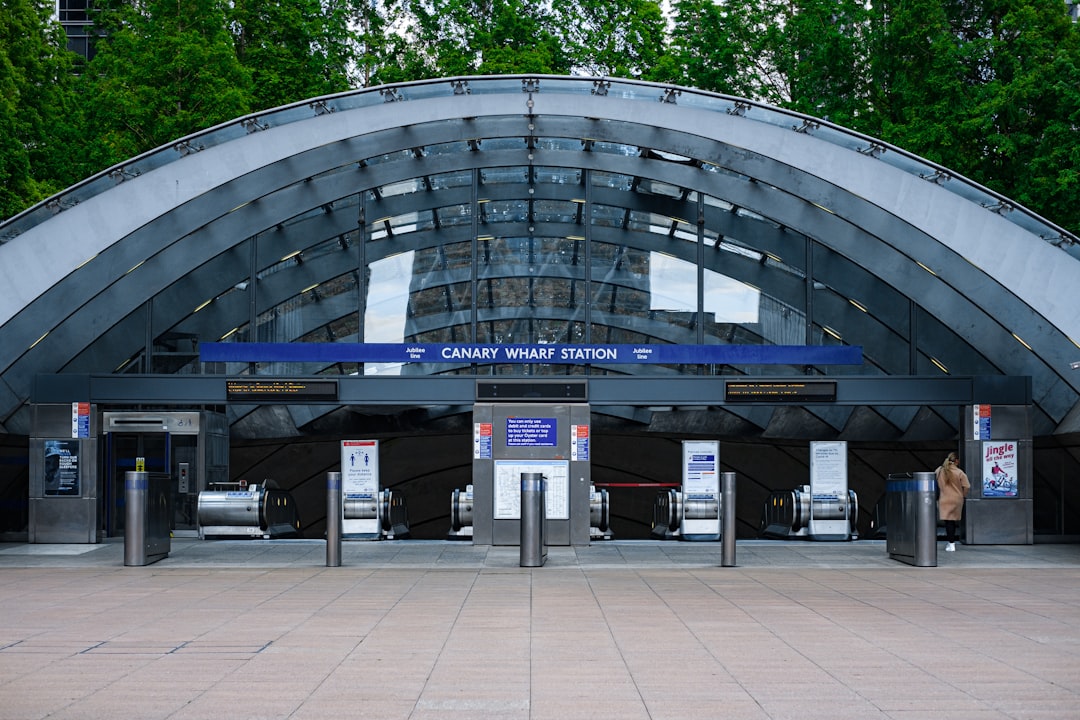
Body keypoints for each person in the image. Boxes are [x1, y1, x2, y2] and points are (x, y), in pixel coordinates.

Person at [935, 451, 970, 551]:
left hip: (944, 498)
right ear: (957, 461)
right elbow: (967, 486)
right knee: (953, 521)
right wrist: (962, 495)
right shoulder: (959, 472)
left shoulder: (940, 470)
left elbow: (933, 480)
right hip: (956, 499)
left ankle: (951, 543)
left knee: (948, 522)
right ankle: (951, 543)